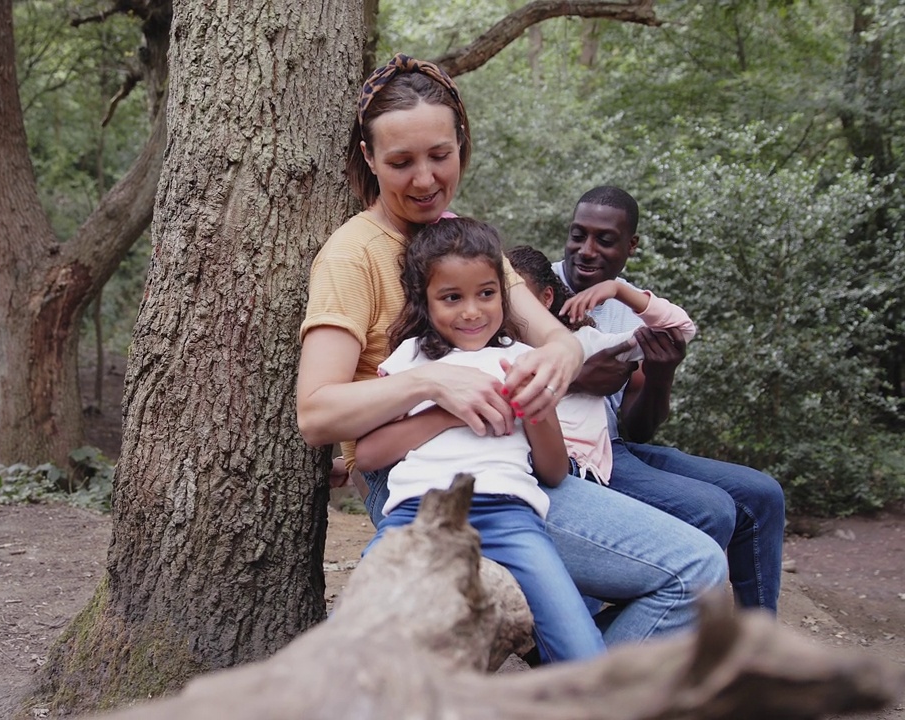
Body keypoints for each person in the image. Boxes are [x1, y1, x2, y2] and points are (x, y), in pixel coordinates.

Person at [296, 54, 726, 647]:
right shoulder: (352, 257)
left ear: (462, 144)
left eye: (439, 156)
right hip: (419, 479)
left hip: (519, 466)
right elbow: (316, 413)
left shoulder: (462, 241)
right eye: (401, 162)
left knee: (700, 567)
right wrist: (432, 386)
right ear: (369, 159)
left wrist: (555, 364)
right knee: (692, 570)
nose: (424, 179)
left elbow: (551, 336)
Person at [359, 217, 605, 663]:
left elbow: (553, 470)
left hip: (510, 517)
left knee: (580, 646)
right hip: (416, 516)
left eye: (486, 294)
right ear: (425, 300)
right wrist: (445, 413)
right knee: (354, 636)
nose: (472, 311)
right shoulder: (410, 361)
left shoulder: (523, 360)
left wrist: (539, 411)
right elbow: (369, 455)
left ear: (503, 293)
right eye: (452, 297)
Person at [554, 185, 786, 612]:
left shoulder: (633, 306)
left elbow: (637, 426)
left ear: (631, 245)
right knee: (711, 509)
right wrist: (577, 378)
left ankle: (755, 646)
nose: (586, 250)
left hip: (615, 447)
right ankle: (663, 629)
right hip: (566, 451)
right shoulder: (535, 289)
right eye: (577, 235)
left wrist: (662, 375)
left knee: (763, 494)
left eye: (604, 239)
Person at [506, 245, 696, 486]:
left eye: (520, 299)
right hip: (522, 463)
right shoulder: (492, 348)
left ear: (547, 298)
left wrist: (620, 291)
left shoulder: (585, 342)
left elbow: (679, 331)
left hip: (579, 468)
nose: (509, 309)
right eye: (499, 297)